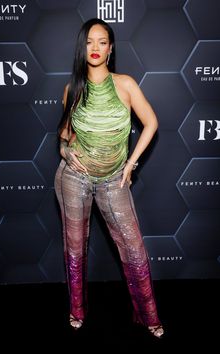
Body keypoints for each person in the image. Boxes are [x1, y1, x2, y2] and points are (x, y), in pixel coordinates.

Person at [54, 18, 164, 338]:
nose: (95, 48)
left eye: (102, 42)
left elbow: (151, 123)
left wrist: (131, 164)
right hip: (74, 178)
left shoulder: (125, 84)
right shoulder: (72, 89)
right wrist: (65, 152)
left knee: (134, 249)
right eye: (89, 42)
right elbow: (63, 137)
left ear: (111, 48)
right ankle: (76, 310)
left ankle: (149, 316)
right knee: (75, 247)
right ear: (81, 47)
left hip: (113, 178)